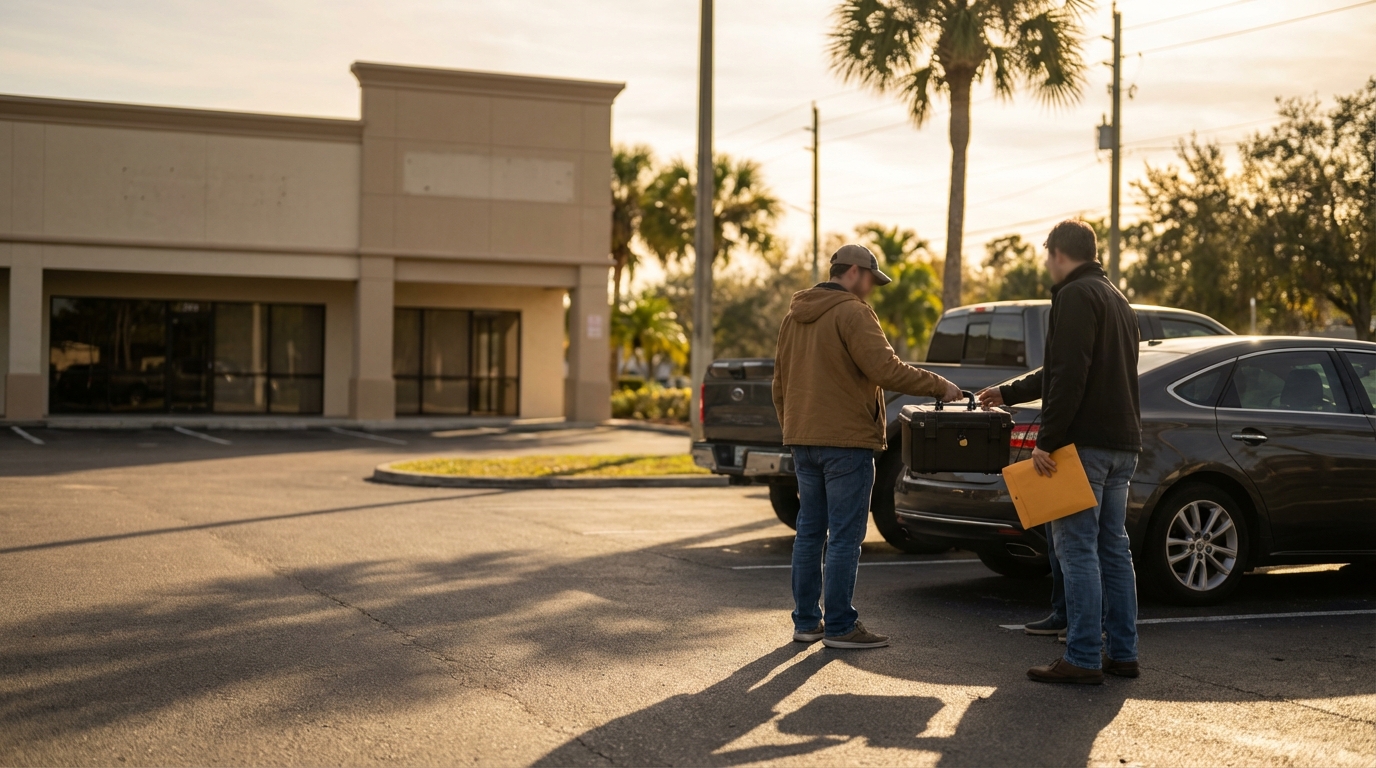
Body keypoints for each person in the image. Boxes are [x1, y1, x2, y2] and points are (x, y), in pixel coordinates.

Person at [977, 220, 1142, 684]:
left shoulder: (1073, 296)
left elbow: (1069, 375)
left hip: (1084, 447)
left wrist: (1045, 443)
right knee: (1114, 550)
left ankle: (1083, 658)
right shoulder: (1117, 298)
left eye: (1047, 255)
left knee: (1077, 551)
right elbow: (1063, 367)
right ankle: (1123, 654)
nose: (1047, 264)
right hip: (1123, 445)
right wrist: (1007, 393)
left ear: (1056, 253)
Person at [773, 244, 962, 649]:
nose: (872, 289)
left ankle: (807, 623)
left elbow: (779, 383)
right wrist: (939, 385)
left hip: (803, 439)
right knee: (844, 537)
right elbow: (885, 368)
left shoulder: (794, 315)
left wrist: (793, 428)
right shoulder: (852, 311)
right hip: (846, 442)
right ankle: (840, 626)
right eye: (871, 280)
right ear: (854, 271)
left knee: (810, 533)